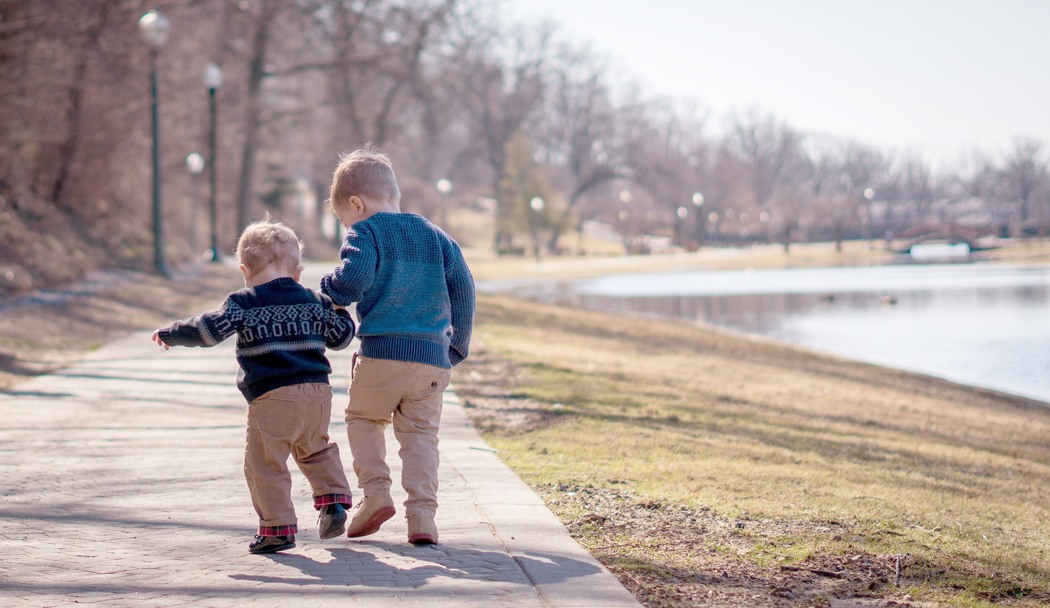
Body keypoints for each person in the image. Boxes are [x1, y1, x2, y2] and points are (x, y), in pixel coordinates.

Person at [152, 218, 356, 554]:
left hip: (273, 396)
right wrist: (340, 309)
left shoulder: (243, 302)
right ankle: (333, 502)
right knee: (316, 448)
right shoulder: (313, 300)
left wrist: (174, 333)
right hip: (318, 394)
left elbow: (208, 331)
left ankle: (277, 528)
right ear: (297, 270)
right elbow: (341, 337)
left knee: (265, 463)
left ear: (245, 269)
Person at [320, 145, 475, 545]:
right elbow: (464, 289)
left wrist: (329, 288)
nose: (345, 225)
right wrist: (456, 346)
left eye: (343, 219)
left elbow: (351, 282)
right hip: (431, 360)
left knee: (363, 419)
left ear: (356, 204)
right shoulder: (436, 236)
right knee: (421, 436)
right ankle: (422, 518)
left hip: (382, 354)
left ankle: (375, 495)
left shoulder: (365, 232)